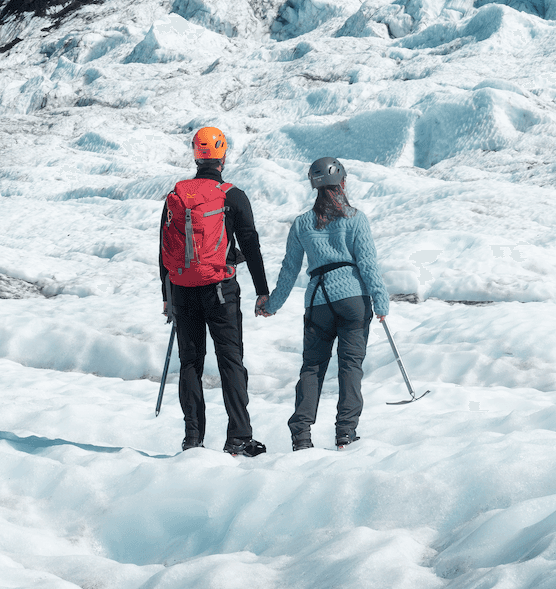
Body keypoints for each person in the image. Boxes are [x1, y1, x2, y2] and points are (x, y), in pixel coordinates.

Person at [256, 157, 389, 451]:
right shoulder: (356, 218)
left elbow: (289, 269)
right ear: (342, 181)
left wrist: (272, 304)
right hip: (353, 299)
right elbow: (367, 264)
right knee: (350, 366)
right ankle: (345, 435)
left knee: (312, 368)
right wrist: (380, 301)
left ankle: (301, 436)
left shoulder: (303, 223)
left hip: (318, 301)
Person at [160, 126, 270, 457]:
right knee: (230, 361)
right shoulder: (232, 195)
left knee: (190, 362)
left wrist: (166, 297)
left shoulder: (177, 194)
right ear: (223, 155)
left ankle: (193, 438)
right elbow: (250, 243)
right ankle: (238, 438)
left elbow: (164, 247)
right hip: (220, 290)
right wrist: (262, 291)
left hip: (181, 289)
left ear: (196, 154)